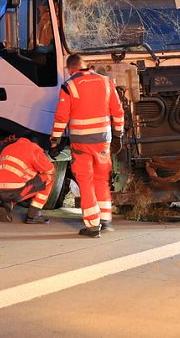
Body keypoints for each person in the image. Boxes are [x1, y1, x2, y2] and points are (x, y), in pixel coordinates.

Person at [51, 54, 124, 237]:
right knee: (101, 179)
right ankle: (105, 220)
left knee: (86, 182)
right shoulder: (106, 82)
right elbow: (118, 111)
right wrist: (118, 135)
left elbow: (61, 117)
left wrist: (55, 141)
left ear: (71, 69)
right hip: (103, 142)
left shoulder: (69, 86)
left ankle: (92, 226)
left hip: (81, 143)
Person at [0, 134, 55, 224]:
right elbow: (50, 169)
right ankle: (33, 215)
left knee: (13, 184)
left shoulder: (7, 148)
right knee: (49, 179)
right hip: (15, 190)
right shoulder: (33, 147)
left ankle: (6, 206)